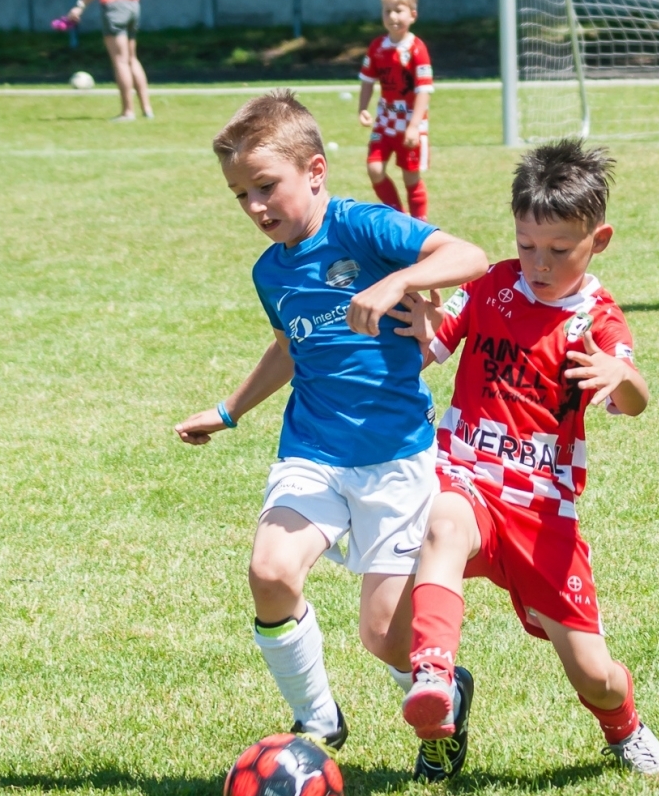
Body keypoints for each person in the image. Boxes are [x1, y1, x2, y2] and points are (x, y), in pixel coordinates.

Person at [174, 91, 487, 761]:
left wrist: (396, 283)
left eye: (266, 187)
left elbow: (471, 256)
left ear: (315, 171)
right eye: (241, 196)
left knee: (382, 634)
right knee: (271, 570)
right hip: (312, 450)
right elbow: (290, 347)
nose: (256, 208)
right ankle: (317, 718)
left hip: (396, 459)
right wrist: (229, 412)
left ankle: (444, 697)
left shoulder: (362, 227)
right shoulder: (271, 272)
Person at [389, 139, 659, 781]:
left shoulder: (596, 322)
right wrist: (416, 327)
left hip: (542, 515)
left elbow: (634, 398)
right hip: (463, 478)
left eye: (559, 250)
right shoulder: (490, 286)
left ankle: (622, 728)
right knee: (443, 525)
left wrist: (618, 377)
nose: (538, 263)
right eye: (526, 245)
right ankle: (437, 684)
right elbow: (431, 346)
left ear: (597, 241)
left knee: (594, 674)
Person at [357, 0, 434, 220]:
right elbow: (368, 80)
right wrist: (362, 108)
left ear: (412, 15)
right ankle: (399, 217)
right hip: (385, 122)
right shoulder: (377, 47)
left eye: (398, 10)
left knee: (410, 177)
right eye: (387, 11)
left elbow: (423, 90)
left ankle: (420, 226)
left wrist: (413, 126)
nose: (392, 16)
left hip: (411, 124)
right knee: (375, 168)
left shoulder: (416, 49)